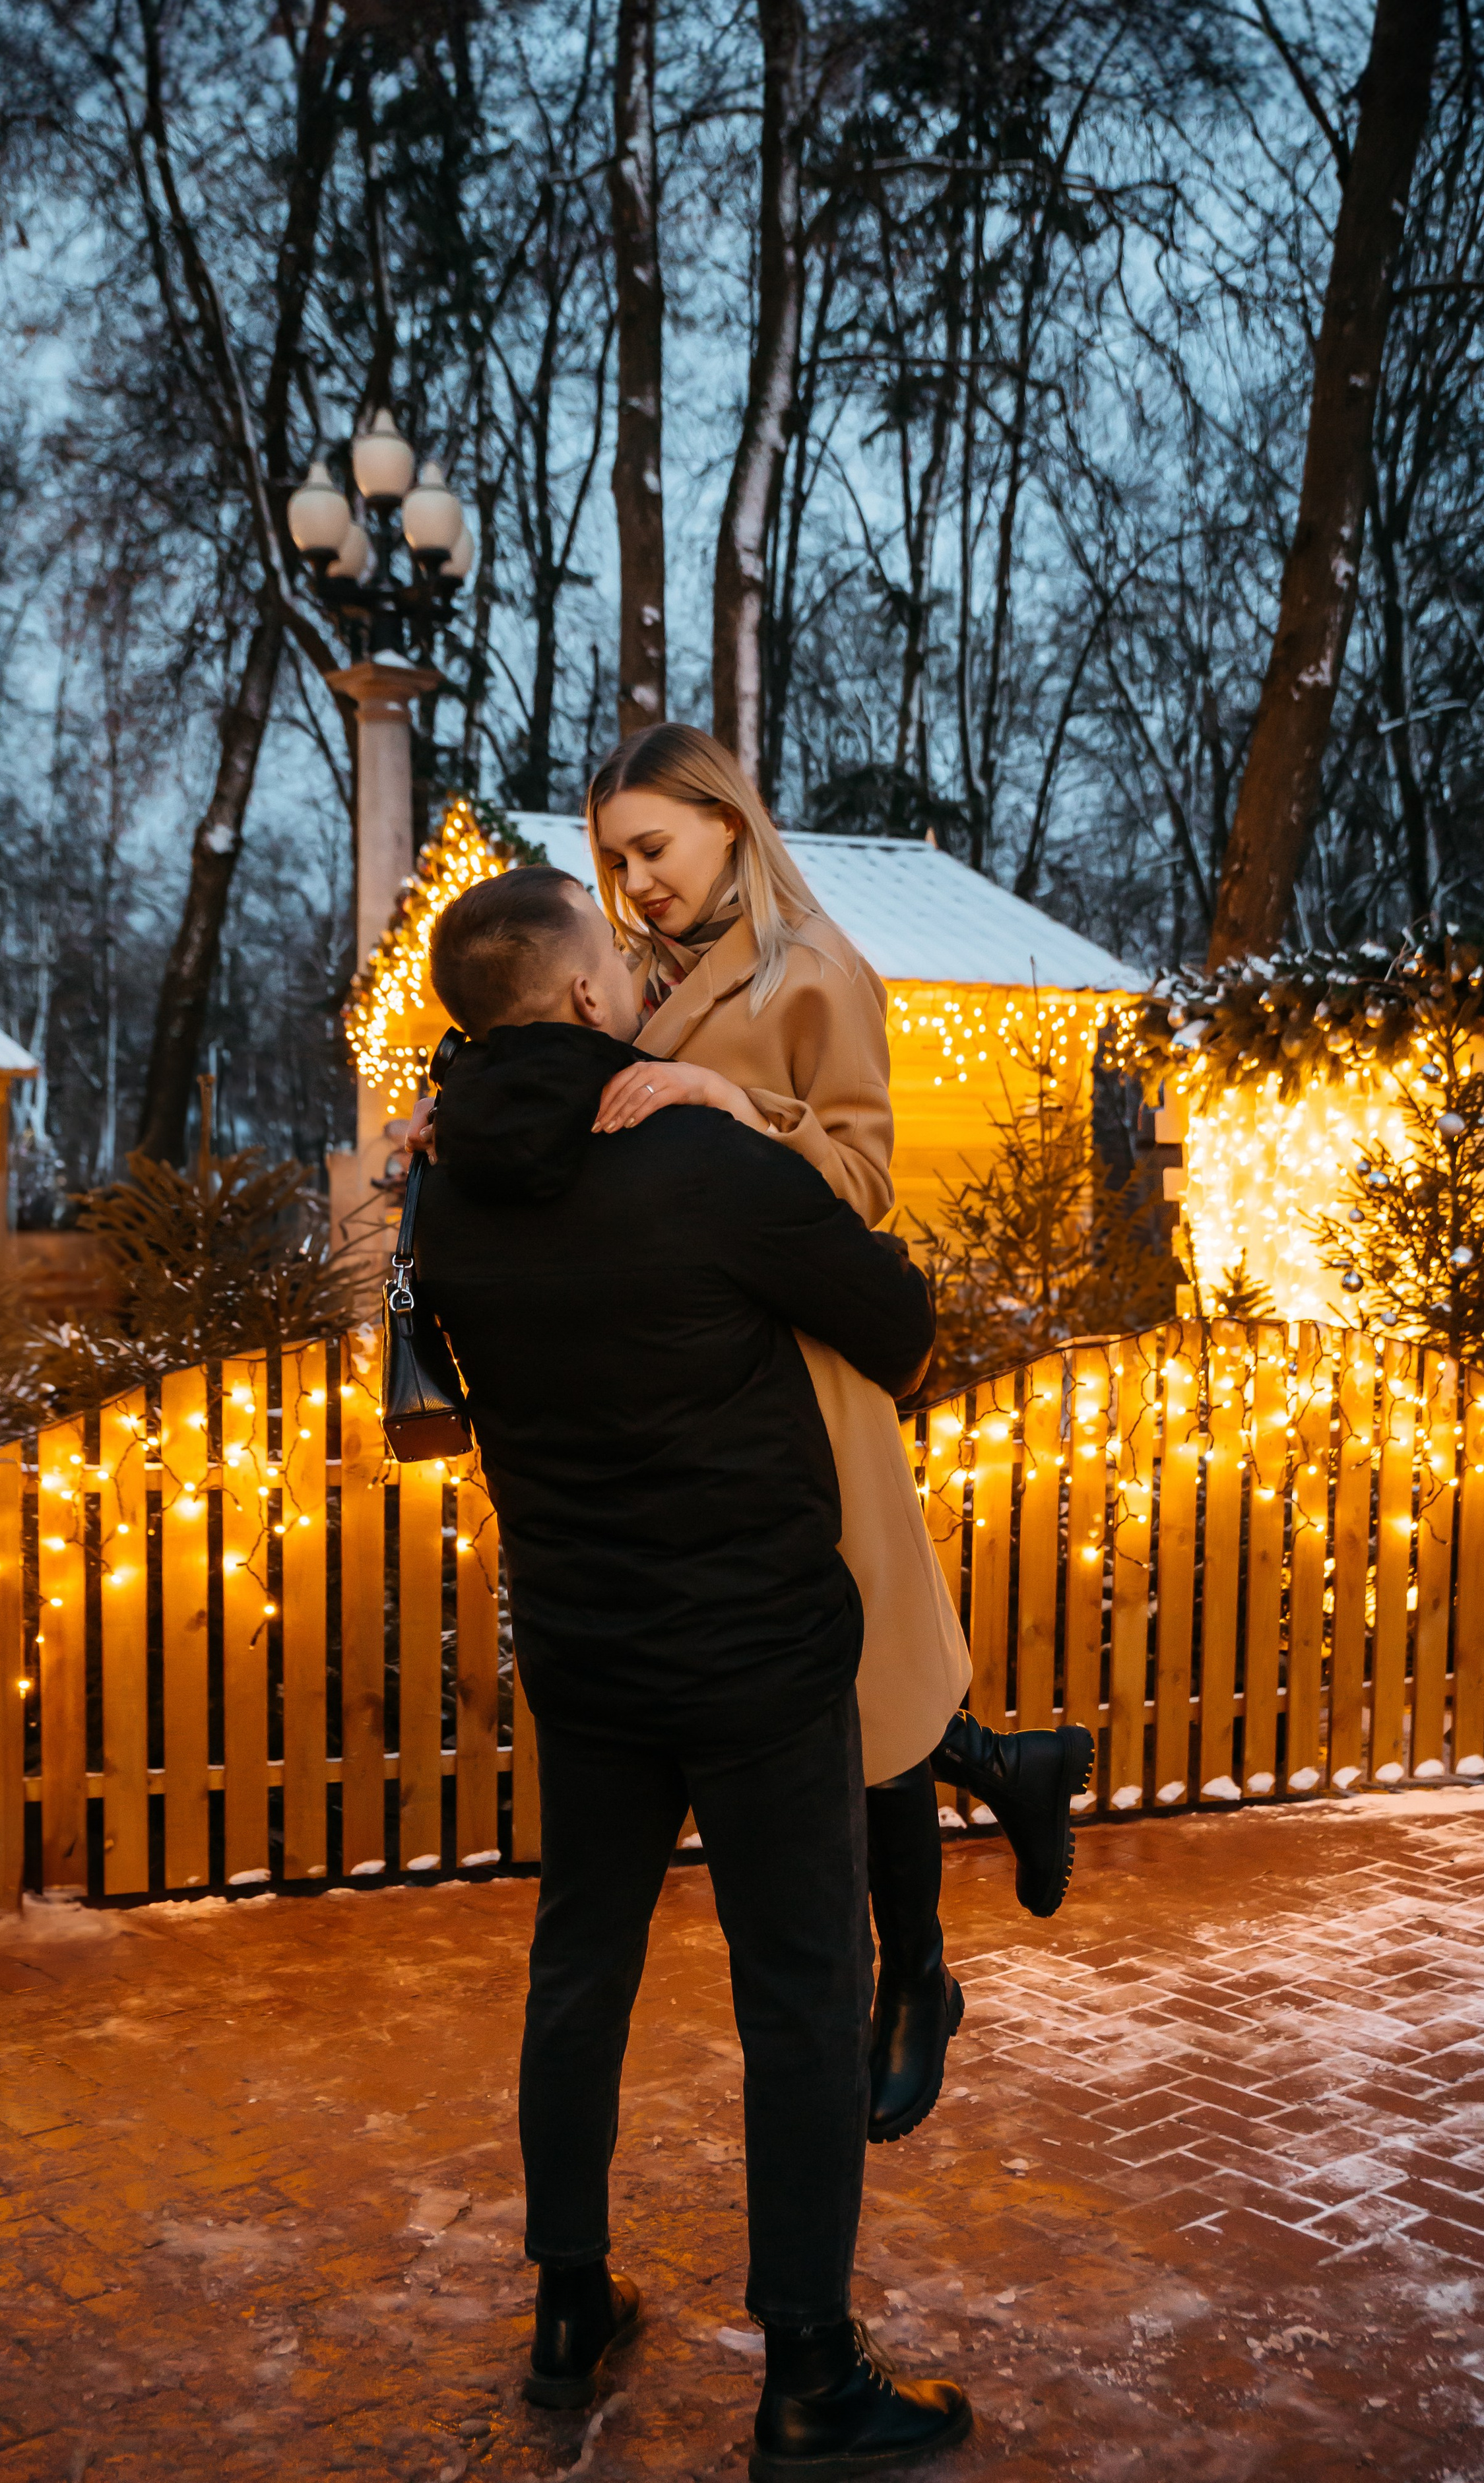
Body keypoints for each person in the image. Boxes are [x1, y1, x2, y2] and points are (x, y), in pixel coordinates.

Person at [419, 865, 971, 2476]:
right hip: (751, 1648)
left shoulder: (439, 1185)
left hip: (584, 1650)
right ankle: (808, 2372)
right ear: (591, 998)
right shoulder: (690, 1156)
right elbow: (897, 1323)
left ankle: (570, 2305)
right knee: (798, 1992)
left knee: (578, 1964)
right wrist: (743, 1127)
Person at [581, 723, 1094, 2141]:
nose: (636, 880)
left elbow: (859, 1177)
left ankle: (913, 1978)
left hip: (809, 1378)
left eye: (654, 848)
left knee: (856, 1683)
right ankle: (1002, 1771)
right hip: (706, 1388)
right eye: (615, 860)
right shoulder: (649, 987)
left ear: (728, 824)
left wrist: (722, 1097)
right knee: (815, 1686)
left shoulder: (815, 974)